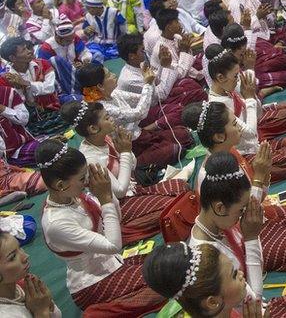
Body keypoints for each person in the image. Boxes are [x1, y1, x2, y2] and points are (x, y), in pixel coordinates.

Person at [183, 107, 286, 272]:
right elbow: (244, 215)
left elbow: (255, 201)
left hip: (255, 214)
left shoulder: (231, 153)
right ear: (219, 136)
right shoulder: (211, 176)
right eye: (234, 124)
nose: (239, 127)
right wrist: (261, 175)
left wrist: (264, 173)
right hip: (242, 232)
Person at [187, 151, 286, 298]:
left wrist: (263, 175)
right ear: (220, 208)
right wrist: (251, 238)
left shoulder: (222, 213)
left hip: (253, 237)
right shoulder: (207, 257)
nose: (244, 214)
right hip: (253, 307)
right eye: (241, 210)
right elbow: (254, 297)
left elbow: (250, 206)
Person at [36, 140, 167, 315]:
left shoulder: (73, 196)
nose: (87, 182)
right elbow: (112, 245)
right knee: (167, 281)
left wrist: (107, 196)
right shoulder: (56, 223)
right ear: (61, 185)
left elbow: (115, 221)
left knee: (166, 261)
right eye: (82, 178)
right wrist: (105, 199)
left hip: (113, 261)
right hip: (92, 282)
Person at [63, 100, 190, 244]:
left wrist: (126, 150)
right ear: (93, 128)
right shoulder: (91, 158)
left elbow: (133, 166)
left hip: (134, 189)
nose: (111, 119)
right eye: (106, 118)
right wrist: (125, 152)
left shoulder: (105, 138)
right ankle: (123, 229)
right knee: (173, 206)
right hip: (117, 204)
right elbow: (119, 191)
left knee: (181, 188)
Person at [142, 241, 286, 318]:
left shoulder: (223, 307)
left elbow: (255, 299)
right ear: (212, 301)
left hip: (262, 309)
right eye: (234, 275)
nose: (241, 273)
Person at [76, 62, 193, 169]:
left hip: (142, 134)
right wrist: (147, 84)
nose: (113, 75)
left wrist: (149, 82)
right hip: (132, 147)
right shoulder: (104, 108)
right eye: (109, 75)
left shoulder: (115, 93)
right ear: (100, 86)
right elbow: (140, 113)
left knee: (184, 135)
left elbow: (148, 100)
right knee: (176, 149)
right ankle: (137, 166)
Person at [0, 229, 61, 317]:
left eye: (20, 247)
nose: (25, 256)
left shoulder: (22, 287)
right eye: (13, 257)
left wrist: (48, 304)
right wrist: (41, 311)